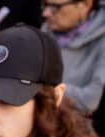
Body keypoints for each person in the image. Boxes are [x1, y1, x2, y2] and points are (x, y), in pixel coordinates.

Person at [41, 0, 105, 128]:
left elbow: (89, 100)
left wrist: (41, 87)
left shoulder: (101, 42)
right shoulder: (46, 30)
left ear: (85, 5)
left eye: (55, 7)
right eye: (45, 5)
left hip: (74, 132)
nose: (45, 13)